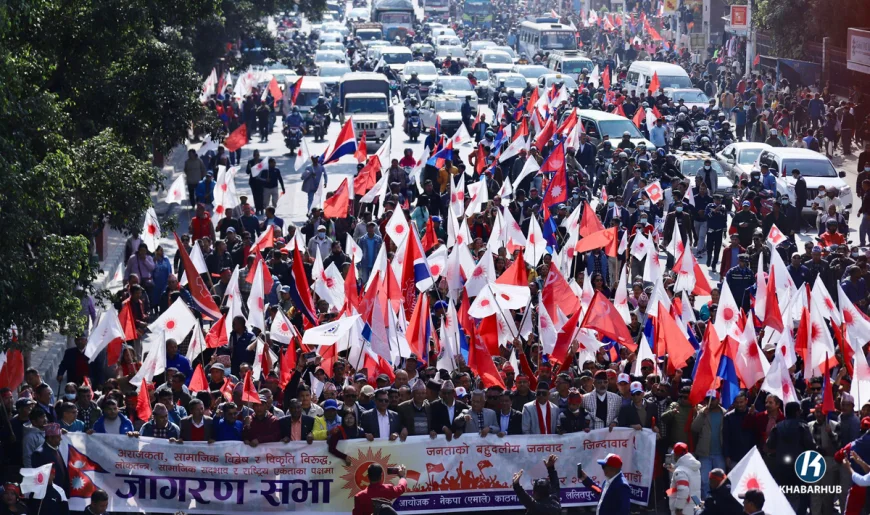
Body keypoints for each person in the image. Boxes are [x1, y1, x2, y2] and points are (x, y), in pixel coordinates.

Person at [668, 442, 701, 515]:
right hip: (694, 506)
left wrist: (679, 508)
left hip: (684, 509)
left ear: (677, 455)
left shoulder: (680, 471)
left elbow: (683, 490)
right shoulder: (694, 467)